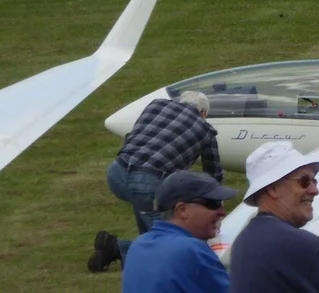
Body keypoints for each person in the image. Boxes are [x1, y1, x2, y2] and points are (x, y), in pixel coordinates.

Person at [91, 90, 225, 272]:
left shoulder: (156, 105)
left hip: (116, 173)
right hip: (147, 181)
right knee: (170, 237)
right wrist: (214, 206)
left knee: (151, 225)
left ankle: (121, 252)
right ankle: (116, 247)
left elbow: (133, 136)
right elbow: (213, 174)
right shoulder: (205, 129)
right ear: (204, 113)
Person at [228, 141, 319, 293]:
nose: (314, 190)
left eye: (314, 181)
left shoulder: (243, 242)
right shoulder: (306, 248)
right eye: (304, 181)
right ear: (273, 188)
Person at [121, 171, 236, 293]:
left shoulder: (138, 245)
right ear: (182, 210)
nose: (222, 212)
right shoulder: (191, 249)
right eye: (213, 204)